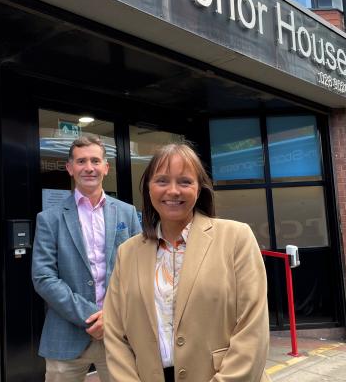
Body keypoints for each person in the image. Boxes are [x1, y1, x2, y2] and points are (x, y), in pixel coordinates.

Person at [103, 143, 271, 382]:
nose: (173, 191)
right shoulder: (127, 252)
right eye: (162, 181)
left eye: (184, 181)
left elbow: (253, 327)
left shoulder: (236, 237)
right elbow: (114, 331)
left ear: (199, 189)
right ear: (148, 188)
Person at [32, 135, 142, 382]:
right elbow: (44, 278)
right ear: (70, 168)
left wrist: (112, 317)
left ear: (106, 167)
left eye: (95, 160)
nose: (89, 168)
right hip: (66, 334)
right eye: (81, 161)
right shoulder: (49, 218)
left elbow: (139, 270)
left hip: (120, 334)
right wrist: (92, 316)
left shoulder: (127, 213)